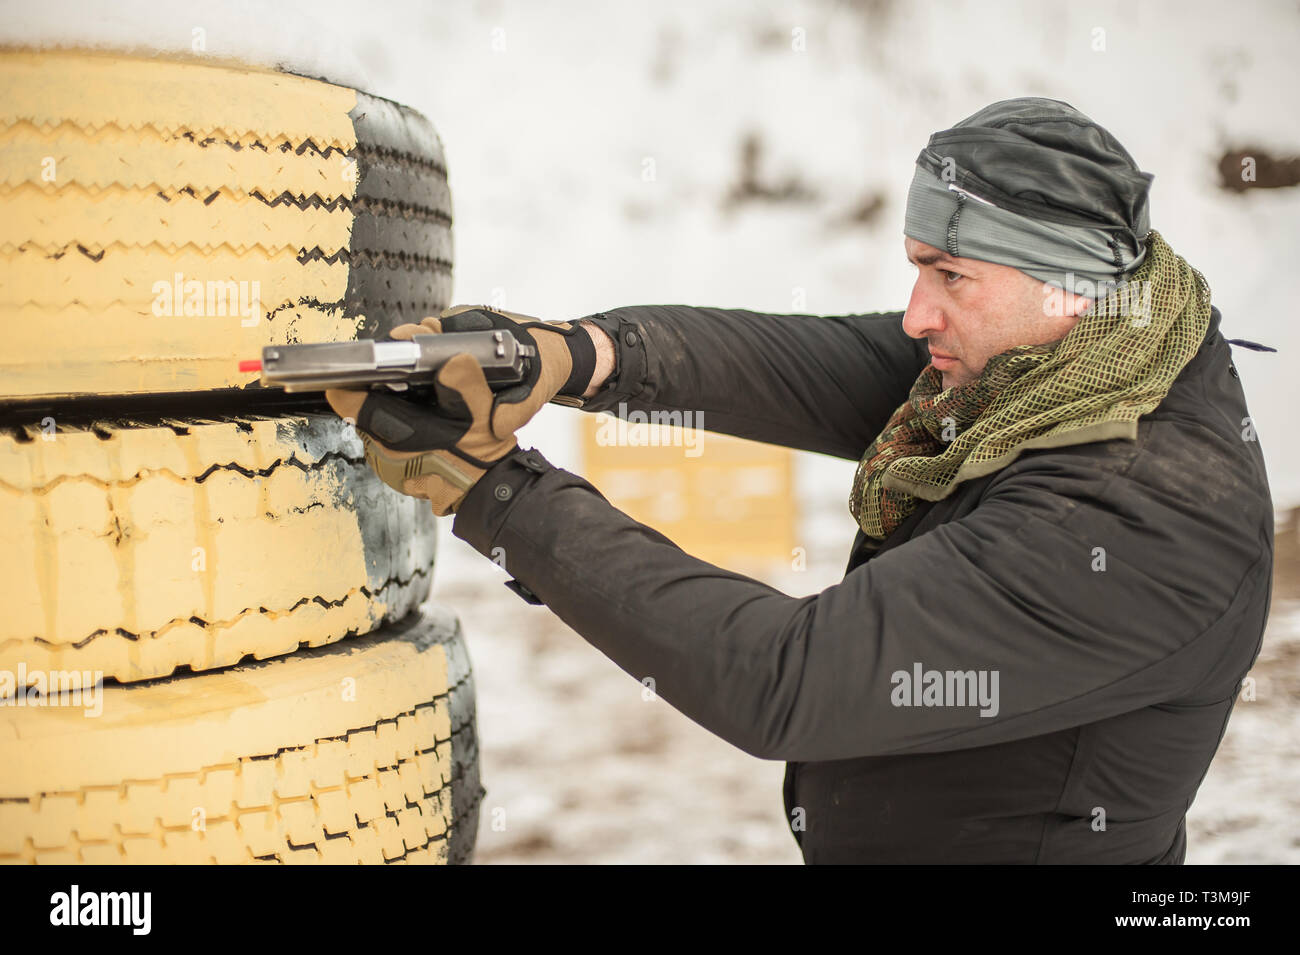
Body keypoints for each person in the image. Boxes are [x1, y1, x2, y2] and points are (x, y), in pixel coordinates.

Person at [325, 98, 1274, 864]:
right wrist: (571, 354)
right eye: (916, 271)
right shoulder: (1079, 356)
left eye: (950, 275)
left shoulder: (1141, 514)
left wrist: (495, 492)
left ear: (1063, 280)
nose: (915, 315)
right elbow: (805, 365)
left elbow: (786, 679)